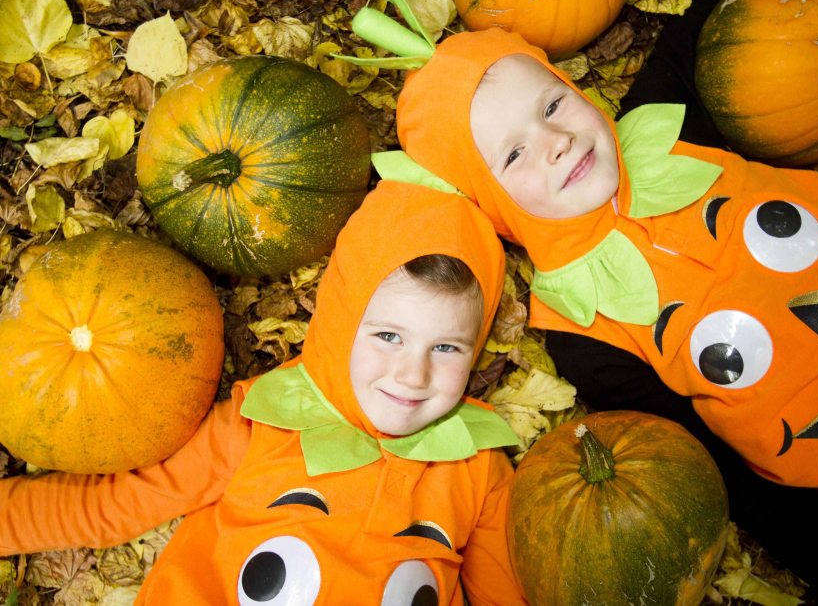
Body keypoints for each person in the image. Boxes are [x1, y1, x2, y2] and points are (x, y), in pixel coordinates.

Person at [352, 0, 818, 602]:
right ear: (492, 204)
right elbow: (722, 473)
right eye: (516, 152)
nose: (554, 140)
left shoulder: (665, 119)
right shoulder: (587, 337)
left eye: (551, 106)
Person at [0, 180, 527, 606]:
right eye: (388, 336)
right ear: (341, 322)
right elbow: (119, 505)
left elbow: (504, 591)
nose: (414, 376)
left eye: (448, 348)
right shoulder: (265, 421)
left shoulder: (477, 466)